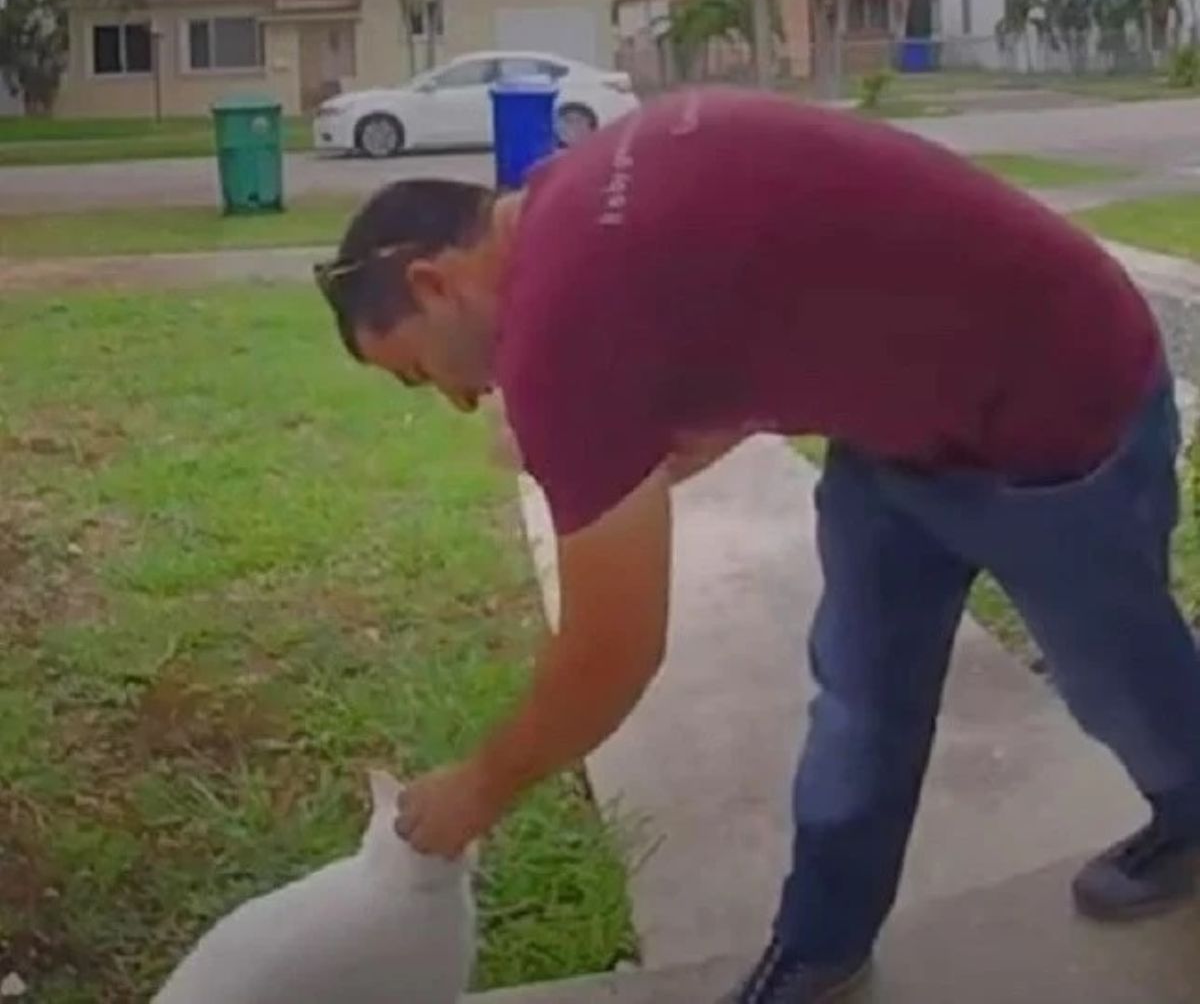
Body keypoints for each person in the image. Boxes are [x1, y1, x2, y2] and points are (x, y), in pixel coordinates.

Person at [314, 88, 1200, 1004]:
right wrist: (730, 415)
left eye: (421, 371)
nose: (459, 401)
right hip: (901, 429)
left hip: (1066, 397)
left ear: (433, 282)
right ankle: (819, 945)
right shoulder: (567, 194)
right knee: (860, 696)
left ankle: (1192, 811)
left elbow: (611, 655)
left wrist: (480, 786)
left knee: (1117, 676)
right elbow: (774, 261)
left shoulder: (556, 329)